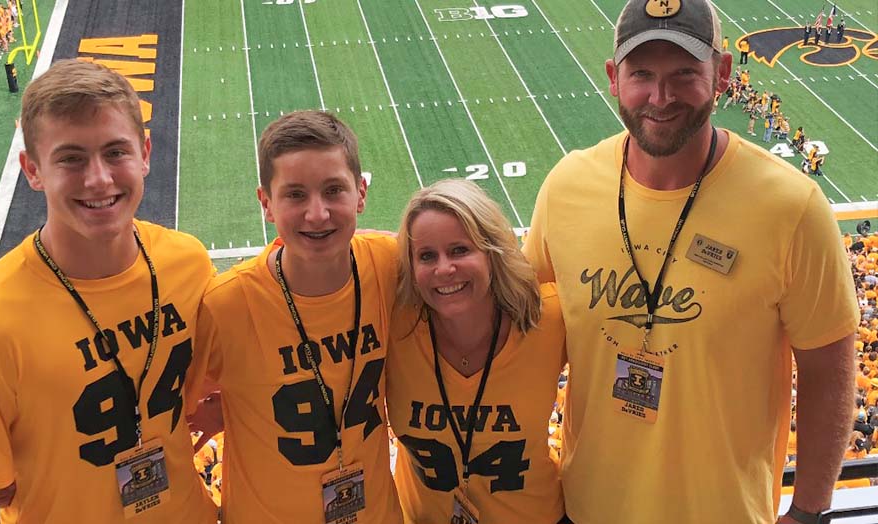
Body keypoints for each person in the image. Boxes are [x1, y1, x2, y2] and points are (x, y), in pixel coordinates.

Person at [521, 1, 859, 522]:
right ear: (614, 78)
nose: (661, 97)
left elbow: (829, 371)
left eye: (684, 73)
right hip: (589, 509)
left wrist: (809, 512)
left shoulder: (792, 206)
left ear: (722, 73)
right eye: (642, 75)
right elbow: (524, 342)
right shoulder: (566, 188)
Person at [0, 59, 218, 524]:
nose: (99, 179)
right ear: (32, 170)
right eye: (71, 158)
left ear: (145, 152)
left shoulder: (188, 263)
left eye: (115, 152)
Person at [191, 110, 403, 523]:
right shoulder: (226, 306)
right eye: (295, 195)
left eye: (333, 190)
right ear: (266, 204)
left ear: (361, 192)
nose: (318, 213)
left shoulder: (392, 266)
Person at [387, 179, 566, 523]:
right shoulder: (394, 327)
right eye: (427, 256)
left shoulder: (548, 318)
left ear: (492, 250)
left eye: (459, 250)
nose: (444, 269)